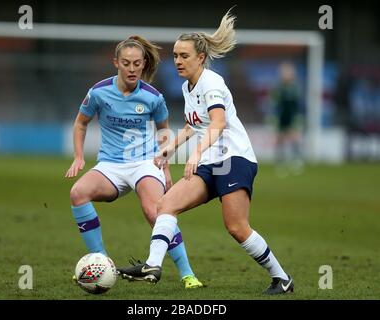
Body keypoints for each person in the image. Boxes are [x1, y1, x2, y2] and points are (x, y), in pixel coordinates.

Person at [117, 11, 294, 295]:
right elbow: (194, 124)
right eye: (175, 55)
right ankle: (152, 265)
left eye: (184, 56)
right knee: (166, 205)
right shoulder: (190, 86)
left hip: (234, 159)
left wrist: (195, 154)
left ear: (200, 58)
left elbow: (219, 123)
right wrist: (170, 147)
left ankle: (281, 278)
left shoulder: (211, 82)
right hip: (211, 161)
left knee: (236, 227)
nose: (177, 61)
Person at [65, 35, 203, 289]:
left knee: (156, 212)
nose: (132, 69)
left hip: (145, 163)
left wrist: (166, 168)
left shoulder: (153, 97)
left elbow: (163, 132)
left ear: (143, 64)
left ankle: (187, 274)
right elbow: (80, 123)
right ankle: (102, 263)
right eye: (126, 63)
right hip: (110, 165)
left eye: (137, 64)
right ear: (116, 62)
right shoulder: (98, 92)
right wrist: (79, 156)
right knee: (78, 193)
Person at [271, 62, 304, 176]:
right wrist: (273, 117)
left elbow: (298, 105)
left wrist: (298, 117)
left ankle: (296, 160)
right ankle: (280, 161)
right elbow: (274, 103)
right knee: (280, 139)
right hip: (281, 117)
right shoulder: (279, 88)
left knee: (294, 138)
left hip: (292, 117)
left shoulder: (295, 87)